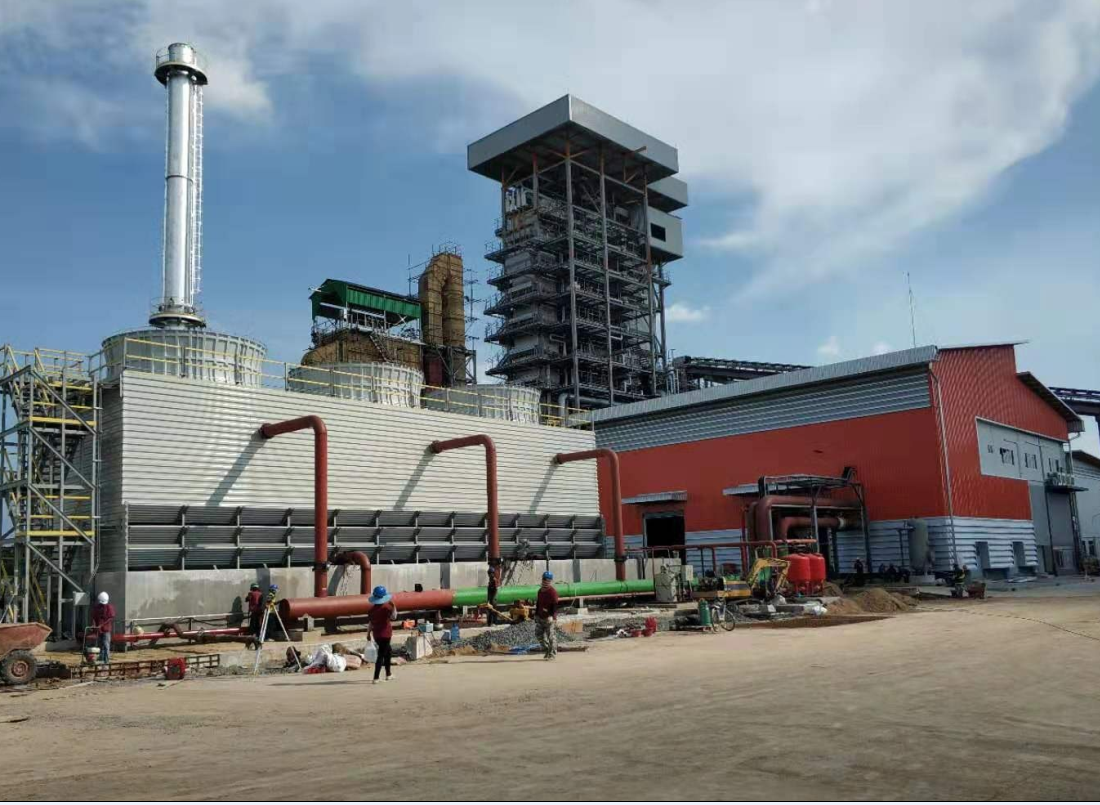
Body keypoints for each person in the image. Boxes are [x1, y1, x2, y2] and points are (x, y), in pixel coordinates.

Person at [367, 585, 396, 684]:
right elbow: (394, 617)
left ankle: (388, 674)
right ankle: (376, 677)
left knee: (388, 651)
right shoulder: (387, 608)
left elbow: (370, 623)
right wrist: (394, 606)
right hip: (386, 634)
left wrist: (368, 633)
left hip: (377, 635)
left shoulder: (371, 610)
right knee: (381, 655)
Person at [535, 571, 559, 660]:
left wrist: (552, 616)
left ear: (550, 581)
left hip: (549, 618)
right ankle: (547, 650)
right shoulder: (540, 591)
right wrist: (536, 614)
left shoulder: (552, 592)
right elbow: (538, 604)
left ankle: (552, 654)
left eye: (548, 580)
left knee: (551, 636)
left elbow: (555, 606)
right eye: (544, 579)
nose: (545, 581)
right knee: (538, 634)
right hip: (540, 617)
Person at [91, 591, 115, 665]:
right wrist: (94, 625)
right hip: (99, 630)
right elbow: (94, 617)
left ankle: (106, 660)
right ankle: (101, 658)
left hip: (106, 630)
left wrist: (101, 625)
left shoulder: (109, 607)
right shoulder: (97, 608)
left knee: (106, 645)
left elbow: (110, 618)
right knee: (100, 645)